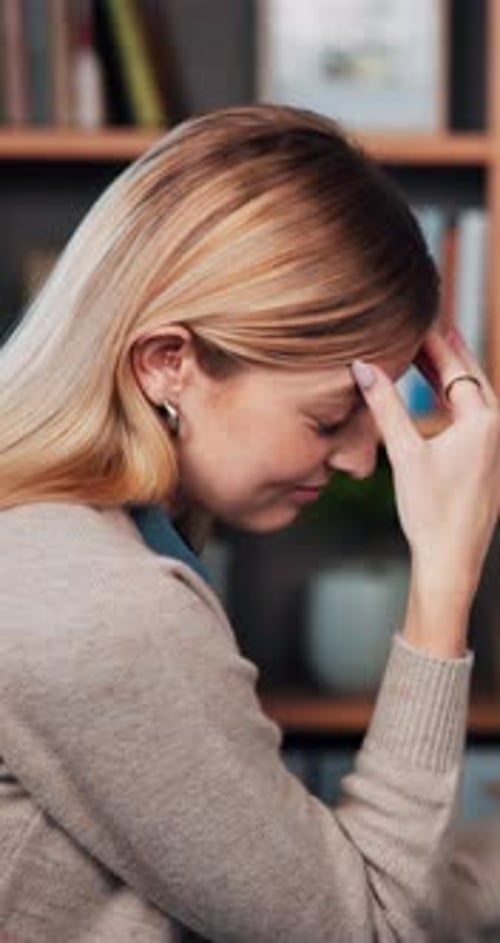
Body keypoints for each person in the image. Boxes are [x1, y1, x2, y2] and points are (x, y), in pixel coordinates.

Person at [0, 104, 499, 943]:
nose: (359, 462)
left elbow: (312, 876)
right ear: (169, 363)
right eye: (332, 415)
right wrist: (444, 580)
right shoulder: (103, 609)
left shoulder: (58, 545)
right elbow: (369, 929)